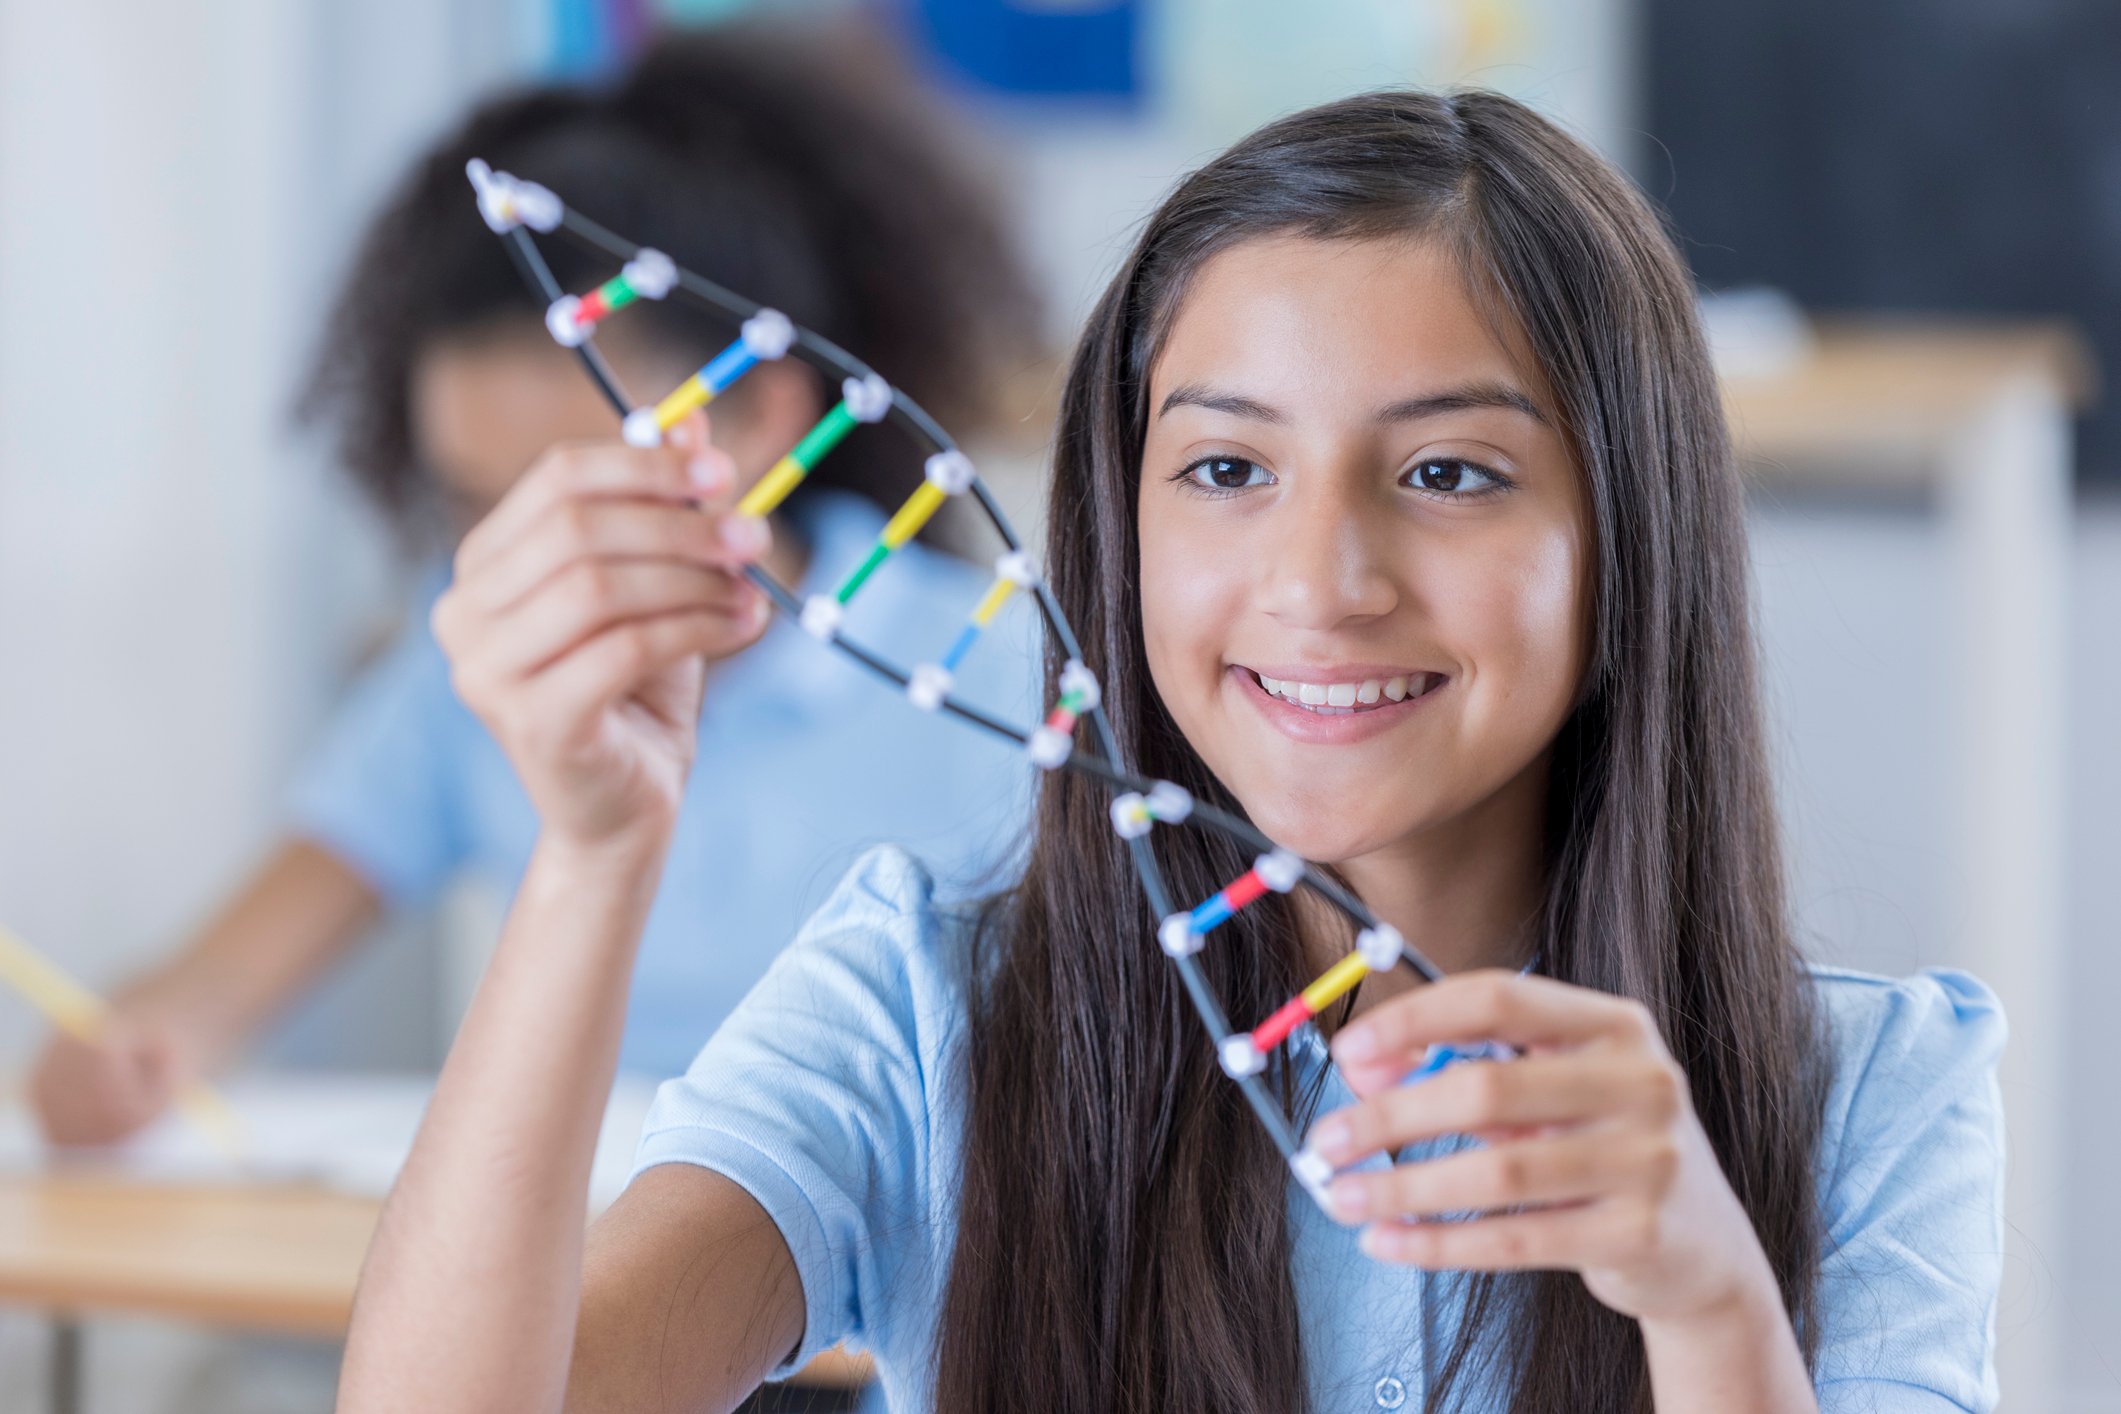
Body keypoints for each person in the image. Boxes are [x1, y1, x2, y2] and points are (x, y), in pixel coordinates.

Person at [335, 90, 2005, 1413]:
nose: (1319, 583)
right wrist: (592, 853)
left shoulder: (1867, 1094)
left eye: (1447, 473)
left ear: (1629, 538)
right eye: (1222, 469)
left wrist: (1709, 1298)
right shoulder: (927, 1013)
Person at [29, 24, 1044, 1141]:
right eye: (471, 504)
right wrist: (136, 1050)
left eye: (573, 492)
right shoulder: (464, 663)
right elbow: (219, 980)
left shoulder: (1006, 686)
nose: (521, 557)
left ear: (763, 418)